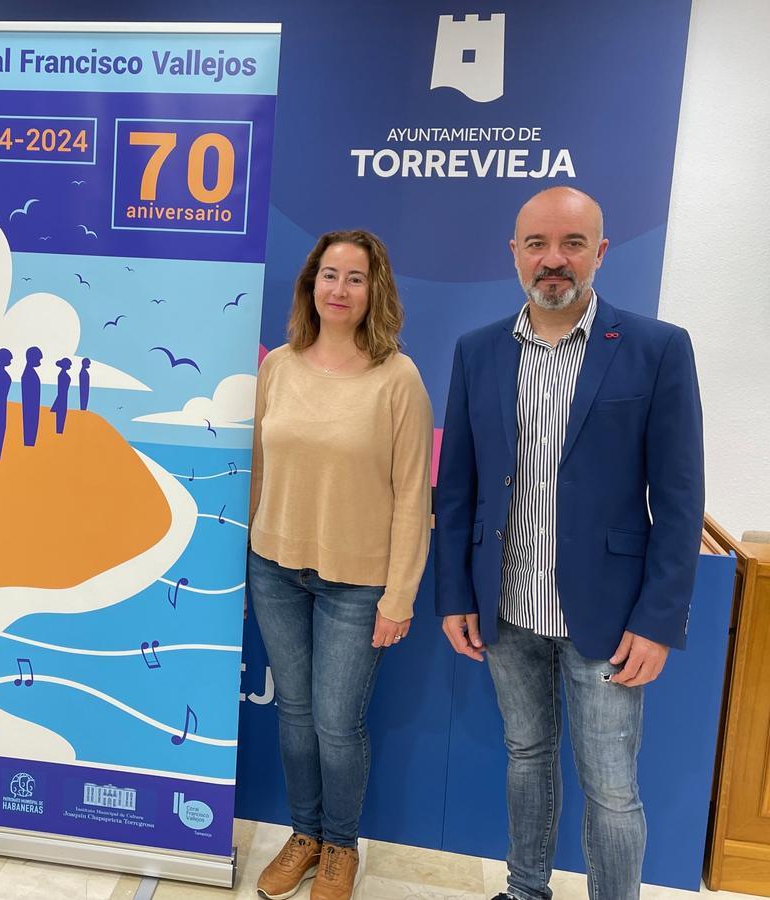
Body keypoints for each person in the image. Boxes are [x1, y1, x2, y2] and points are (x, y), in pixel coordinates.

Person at [434, 186, 704, 900]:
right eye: (537, 245)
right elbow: (457, 488)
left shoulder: (656, 349)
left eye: (573, 244)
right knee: (527, 756)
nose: (554, 260)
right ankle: (527, 890)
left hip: (611, 620)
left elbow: (679, 500)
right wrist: (455, 594)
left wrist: (658, 619)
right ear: (515, 254)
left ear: (601, 252)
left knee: (612, 789)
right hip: (507, 609)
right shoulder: (477, 351)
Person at [248, 230, 433, 900]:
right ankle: (303, 834)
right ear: (311, 284)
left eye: (355, 277)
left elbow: (414, 494)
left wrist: (400, 595)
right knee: (294, 715)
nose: (340, 289)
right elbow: (259, 469)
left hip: (359, 585)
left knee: (334, 722)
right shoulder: (280, 366)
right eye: (330, 274)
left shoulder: (398, 379)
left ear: (374, 290)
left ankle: (339, 847)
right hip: (275, 568)